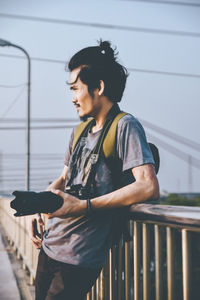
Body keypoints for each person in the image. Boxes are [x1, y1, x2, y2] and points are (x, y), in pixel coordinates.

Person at [30, 40, 159, 300]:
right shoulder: (79, 132)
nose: (73, 98)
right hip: (50, 244)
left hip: (79, 254)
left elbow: (148, 185)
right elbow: (64, 180)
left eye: (76, 89)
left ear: (99, 87)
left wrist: (84, 206)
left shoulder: (125, 126)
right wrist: (41, 207)